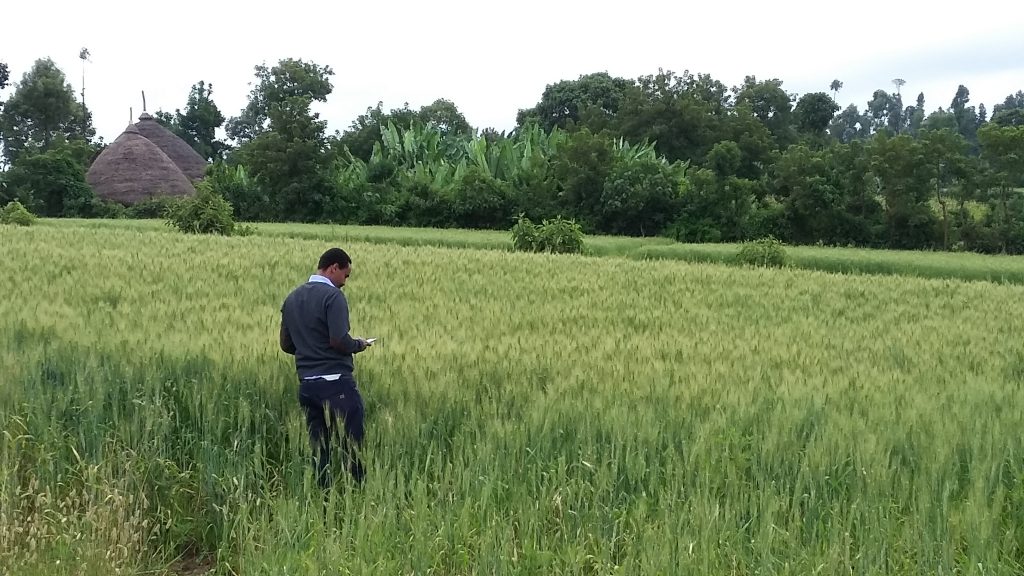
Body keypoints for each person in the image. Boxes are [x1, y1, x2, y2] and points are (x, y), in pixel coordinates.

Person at [279, 247, 372, 489]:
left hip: (308, 386)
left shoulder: (292, 298)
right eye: (346, 275)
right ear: (333, 268)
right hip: (336, 384)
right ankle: (359, 496)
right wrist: (359, 345)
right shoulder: (333, 297)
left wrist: (310, 350)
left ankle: (324, 500)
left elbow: (287, 344)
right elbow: (339, 340)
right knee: (353, 446)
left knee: (320, 450)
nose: (345, 282)